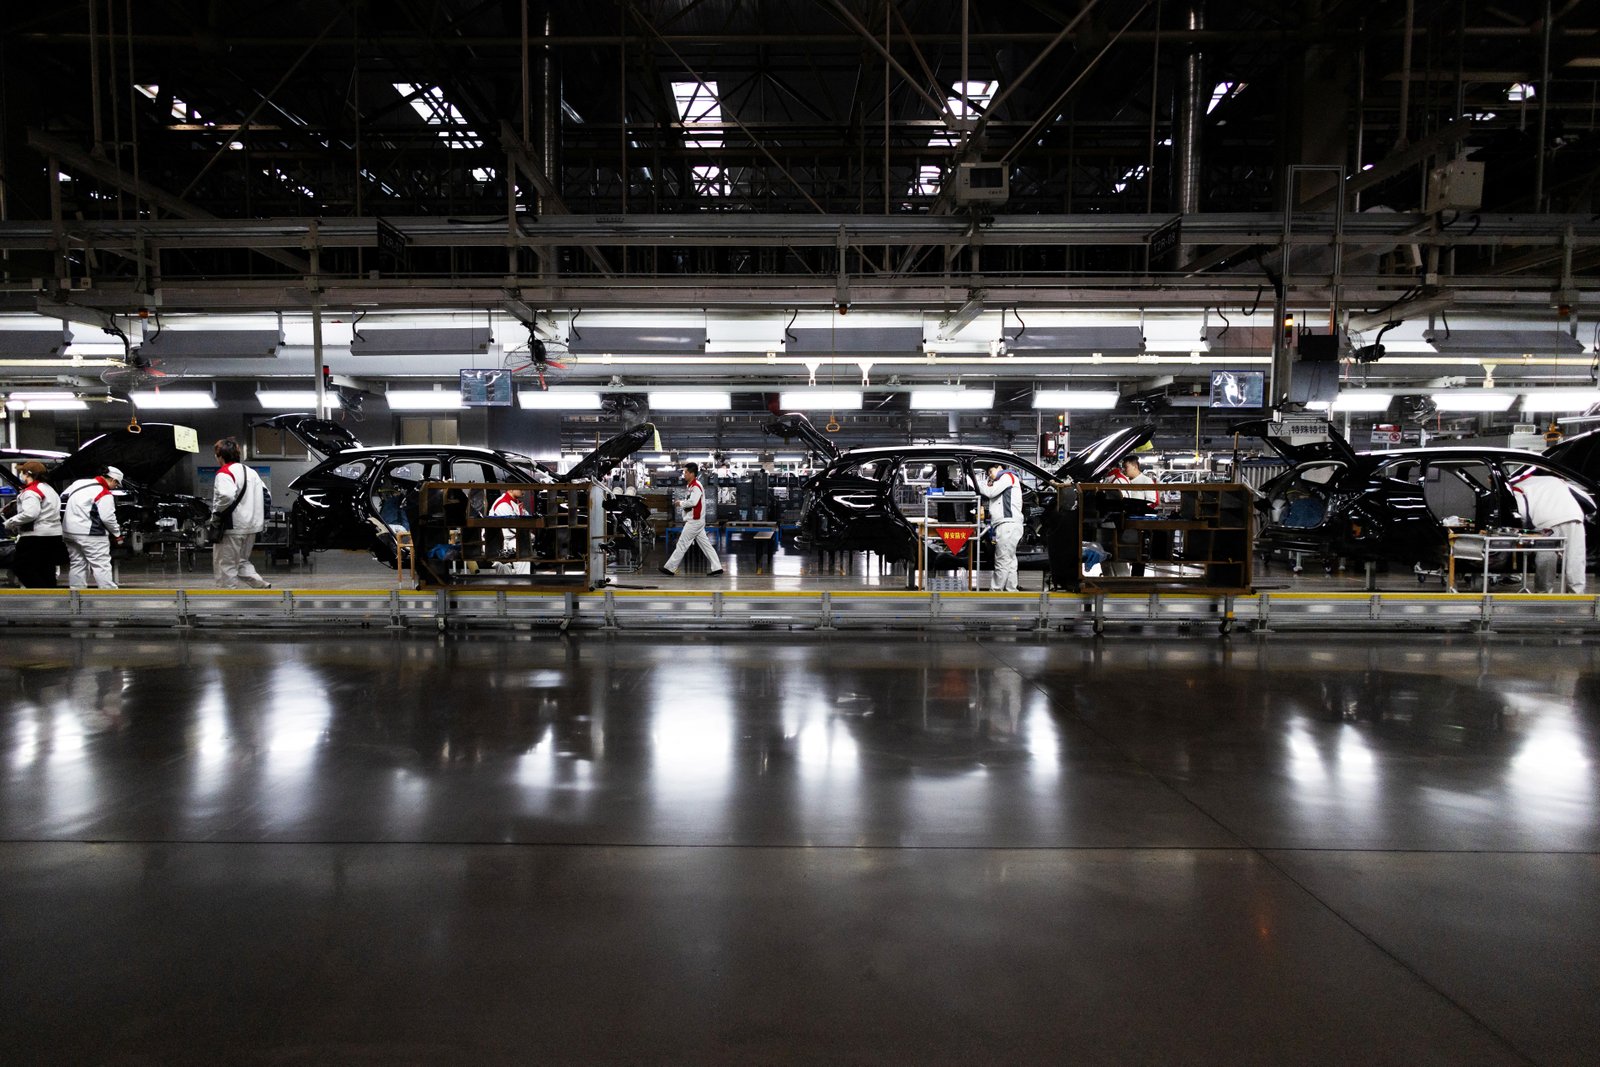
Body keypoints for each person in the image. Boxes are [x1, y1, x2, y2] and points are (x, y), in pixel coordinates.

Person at [1511, 469, 1587, 593]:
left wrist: (1524, 529)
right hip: (1574, 516)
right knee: (1575, 557)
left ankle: (1543, 592)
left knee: (1546, 557)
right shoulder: (1556, 480)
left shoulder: (1517, 487)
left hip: (1546, 522)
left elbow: (1522, 512)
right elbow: (1586, 498)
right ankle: (1576, 593)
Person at [210, 438, 272, 589]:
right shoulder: (251, 472)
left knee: (225, 565)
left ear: (220, 456)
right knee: (242, 560)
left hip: (232, 527)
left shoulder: (225, 473)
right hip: (251, 527)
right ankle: (261, 585)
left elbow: (226, 496)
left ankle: (228, 599)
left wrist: (217, 514)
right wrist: (263, 520)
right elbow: (267, 495)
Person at [61, 466, 123, 589]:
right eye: (117, 484)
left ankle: (76, 596)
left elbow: (63, 497)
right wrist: (117, 533)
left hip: (69, 532)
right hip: (91, 535)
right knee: (101, 565)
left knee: (77, 564)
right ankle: (108, 595)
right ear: (112, 479)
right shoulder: (104, 493)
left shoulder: (79, 483)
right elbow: (107, 518)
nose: (116, 487)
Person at [4, 460, 65, 587]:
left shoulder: (31, 491)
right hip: (54, 535)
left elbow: (30, 514)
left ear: (27, 474)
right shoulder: (50, 489)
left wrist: (9, 523)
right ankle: (50, 595)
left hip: (35, 537)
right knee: (46, 569)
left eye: (22, 472)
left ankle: (39, 592)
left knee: (21, 567)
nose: (21, 475)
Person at [659, 461, 723, 577]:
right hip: (696, 521)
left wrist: (680, 503)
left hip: (694, 521)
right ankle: (717, 567)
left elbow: (693, 502)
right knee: (706, 546)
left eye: (686, 472)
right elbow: (691, 501)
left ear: (692, 474)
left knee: (682, 544)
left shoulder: (696, 487)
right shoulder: (691, 486)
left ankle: (670, 568)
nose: (684, 474)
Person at [975, 461, 1024, 592]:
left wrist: (976, 483)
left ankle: (995, 591)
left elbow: (990, 492)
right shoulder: (1005, 479)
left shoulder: (1007, 476)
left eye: (991, 472)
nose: (990, 476)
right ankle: (1011, 591)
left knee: (1002, 559)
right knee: (1010, 560)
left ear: (1000, 467)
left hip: (1008, 524)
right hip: (1010, 524)